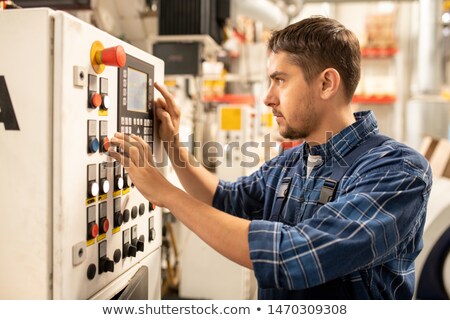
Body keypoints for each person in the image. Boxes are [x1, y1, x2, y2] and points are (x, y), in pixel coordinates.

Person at [108, 16, 432, 299]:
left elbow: (293, 256)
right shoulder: (291, 164)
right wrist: (174, 148)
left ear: (326, 83)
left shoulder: (397, 170)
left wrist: (166, 194)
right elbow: (224, 199)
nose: (267, 97)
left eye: (280, 80)